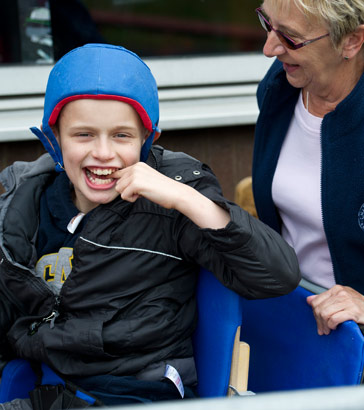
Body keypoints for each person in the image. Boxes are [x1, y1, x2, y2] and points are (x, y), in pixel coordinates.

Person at [0, 43, 300, 408]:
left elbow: (277, 275)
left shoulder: (171, 204)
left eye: (122, 136)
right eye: (83, 135)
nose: (104, 153)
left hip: (138, 392)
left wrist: (184, 199)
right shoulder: (26, 202)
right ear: (54, 138)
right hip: (47, 386)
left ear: (147, 141)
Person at [252, 0, 364, 336]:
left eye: (290, 37)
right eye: (267, 23)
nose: (269, 48)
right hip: (296, 320)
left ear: (352, 41)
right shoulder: (280, 89)